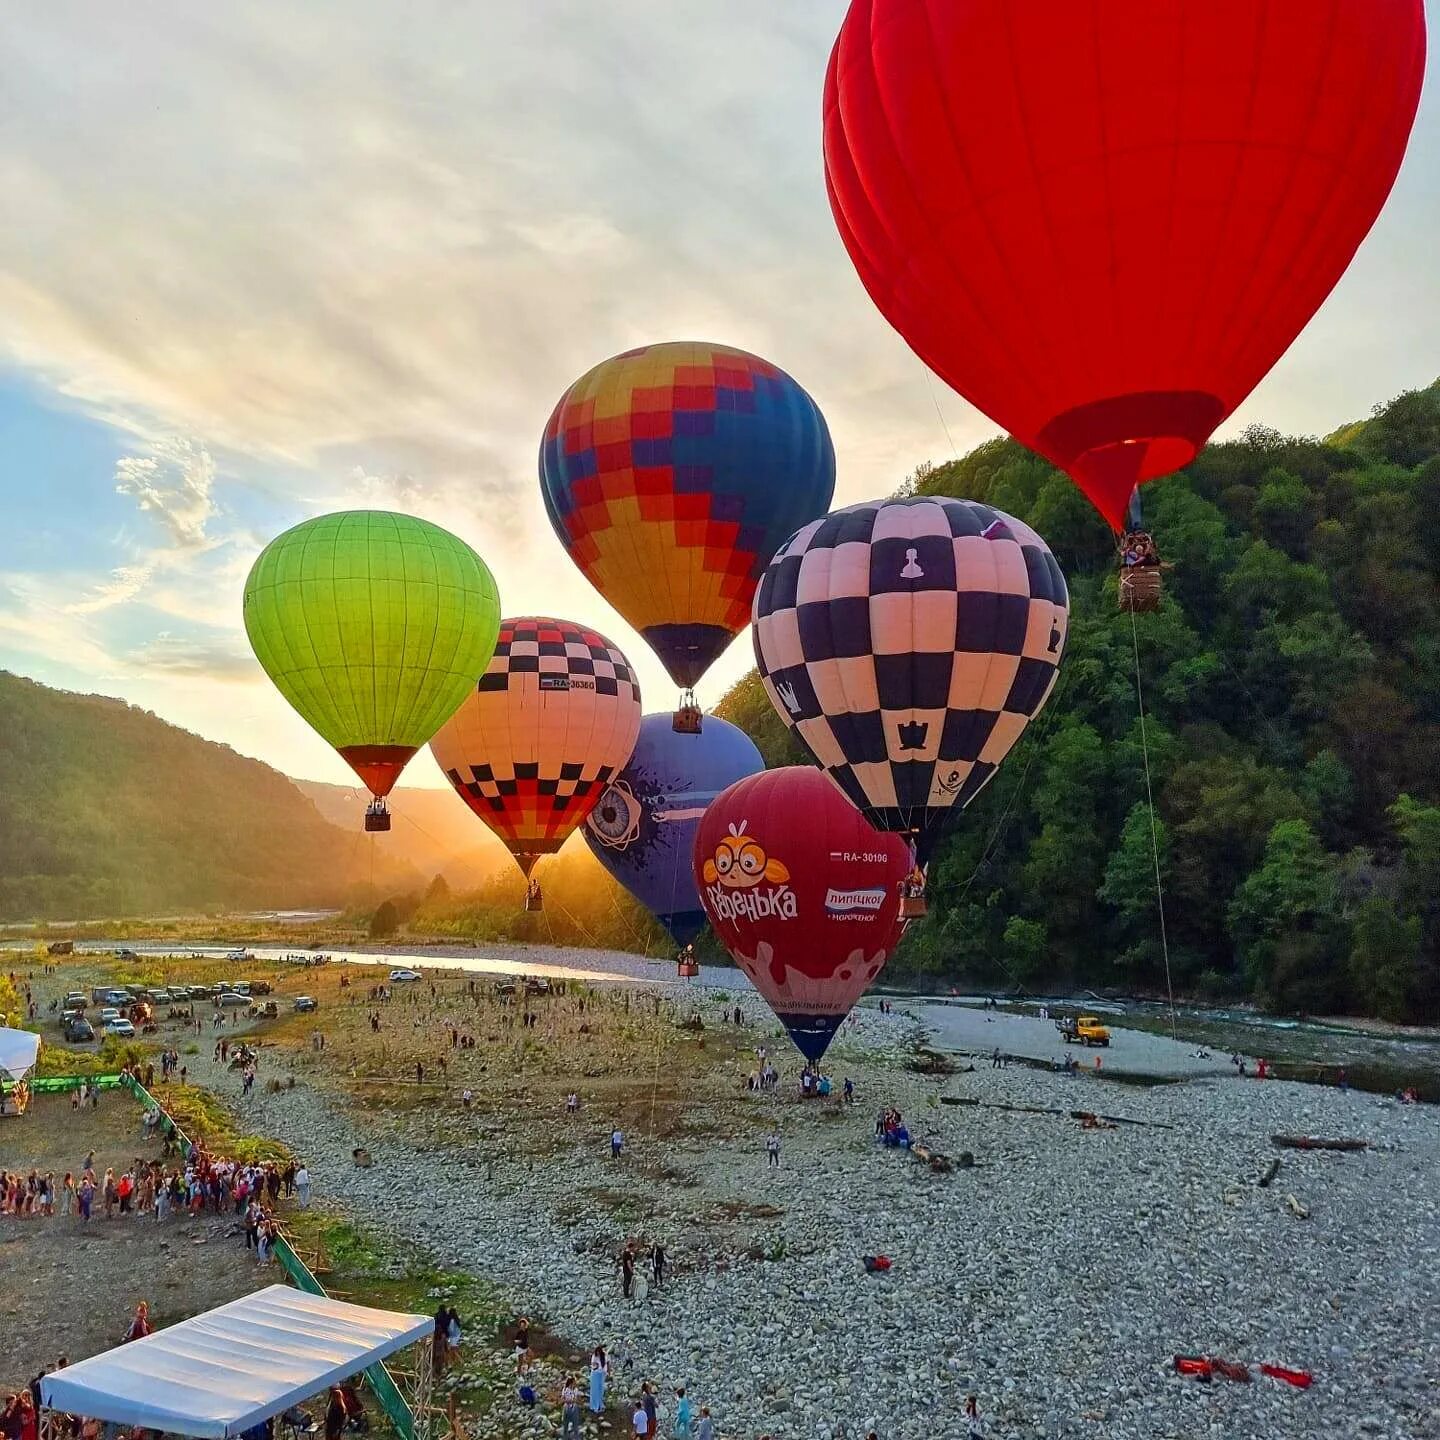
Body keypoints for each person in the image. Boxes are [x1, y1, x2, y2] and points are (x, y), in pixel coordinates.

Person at [589, 1347, 608, 1414]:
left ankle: (600, 1404)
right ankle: (594, 1406)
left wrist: (605, 1372)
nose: (598, 1354)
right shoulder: (594, 1356)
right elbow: (593, 1365)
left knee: (600, 1389)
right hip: (595, 1374)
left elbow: (605, 1364)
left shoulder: (604, 1356)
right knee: (595, 1390)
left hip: (601, 1374)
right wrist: (596, 1367)